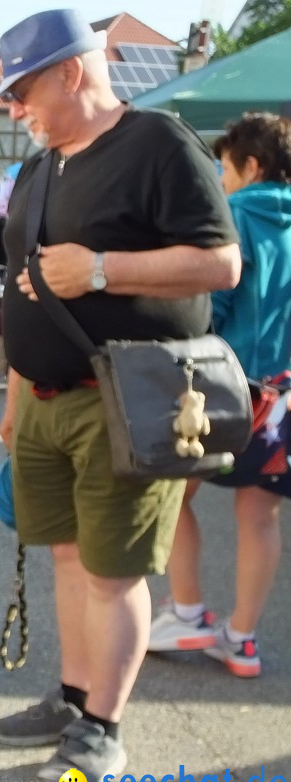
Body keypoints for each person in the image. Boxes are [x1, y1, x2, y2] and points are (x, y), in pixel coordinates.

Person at [0, 10, 240, 782]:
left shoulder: (158, 143)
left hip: (126, 398)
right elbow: (22, 286)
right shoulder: (38, 169)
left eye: (21, 89)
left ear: (71, 70)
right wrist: (14, 391)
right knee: (67, 556)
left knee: (112, 572)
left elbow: (221, 264)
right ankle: (72, 700)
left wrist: (101, 269)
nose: (11, 108)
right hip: (42, 399)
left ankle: (102, 730)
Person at [148, 113, 291, 678]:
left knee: (171, 494)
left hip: (228, 390)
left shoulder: (232, 217)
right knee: (261, 515)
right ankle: (243, 639)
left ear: (251, 166)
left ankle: (187, 611)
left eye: (226, 169)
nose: (221, 179)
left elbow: (211, 308)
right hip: (285, 400)